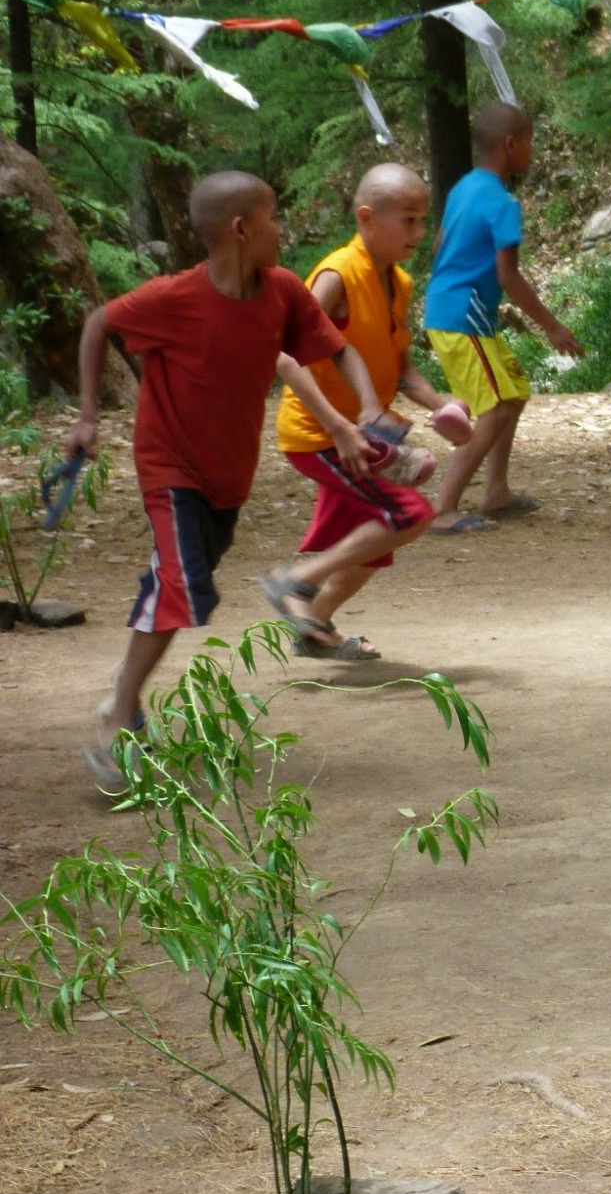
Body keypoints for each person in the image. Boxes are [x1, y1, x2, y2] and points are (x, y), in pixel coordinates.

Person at [66, 171, 385, 788]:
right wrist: (86, 417)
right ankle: (118, 713)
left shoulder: (282, 292)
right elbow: (98, 323)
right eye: (274, 217)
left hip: (227, 476)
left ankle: (125, 682)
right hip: (169, 467)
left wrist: (364, 410)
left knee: (183, 588)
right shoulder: (173, 298)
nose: (282, 230)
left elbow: (338, 349)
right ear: (241, 229)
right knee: (179, 585)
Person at [267, 164, 455, 660]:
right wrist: (339, 426)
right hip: (320, 433)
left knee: (374, 544)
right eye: (408, 220)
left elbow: (402, 367)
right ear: (367, 218)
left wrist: (445, 408)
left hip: (365, 435)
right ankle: (295, 581)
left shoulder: (399, 281)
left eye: (423, 220)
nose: (419, 232)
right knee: (409, 514)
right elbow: (284, 353)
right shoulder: (337, 275)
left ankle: (314, 626)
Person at [423, 101, 584, 533]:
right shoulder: (502, 202)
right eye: (529, 142)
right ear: (511, 144)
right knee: (493, 410)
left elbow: (439, 246)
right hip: (464, 318)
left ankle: (495, 492)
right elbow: (507, 274)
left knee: (512, 393)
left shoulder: (463, 187)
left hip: (451, 310)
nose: (532, 150)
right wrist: (552, 326)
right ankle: (443, 509)